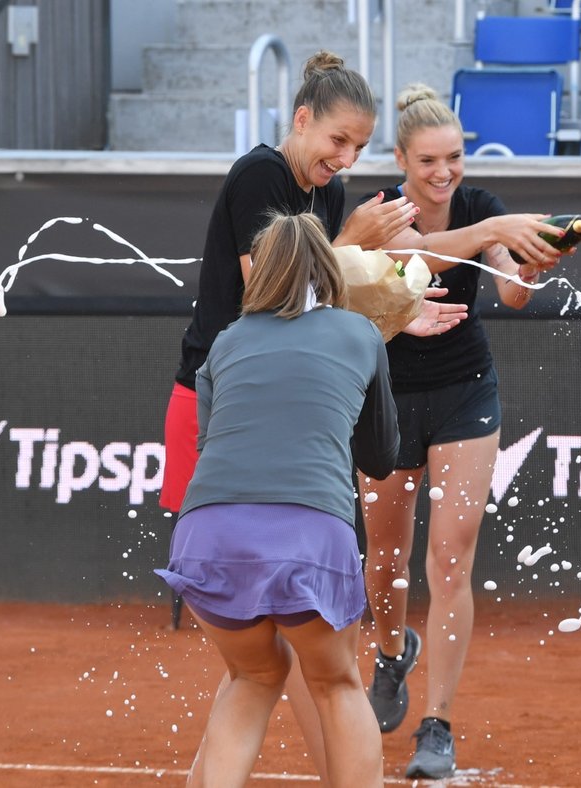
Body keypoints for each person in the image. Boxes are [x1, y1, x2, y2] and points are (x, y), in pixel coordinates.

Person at [158, 52, 466, 781]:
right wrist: (364, 277)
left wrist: (396, 307)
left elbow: (328, 297)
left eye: (358, 146)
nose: (345, 157)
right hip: (234, 416)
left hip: (236, 442)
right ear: (302, 120)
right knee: (315, 671)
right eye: (337, 141)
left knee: (256, 668)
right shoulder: (261, 178)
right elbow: (285, 289)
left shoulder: (328, 202)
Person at [357, 83, 566, 780]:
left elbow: (509, 289)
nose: (443, 172)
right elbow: (420, 258)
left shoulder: (483, 210)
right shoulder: (385, 214)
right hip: (385, 396)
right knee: (384, 561)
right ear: (401, 159)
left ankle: (438, 725)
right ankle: (392, 652)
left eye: (453, 158)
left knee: (449, 562)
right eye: (428, 160)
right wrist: (487, 238)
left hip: (465, 395)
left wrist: (531, 267)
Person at [156, 212, 399, 787]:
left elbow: (215, 443)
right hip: (309, 534)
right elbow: (380, 457)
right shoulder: (360, 332)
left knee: (253, 676)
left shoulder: (226, 341)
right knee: (336, 684)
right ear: (328, 270)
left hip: (207, 536)